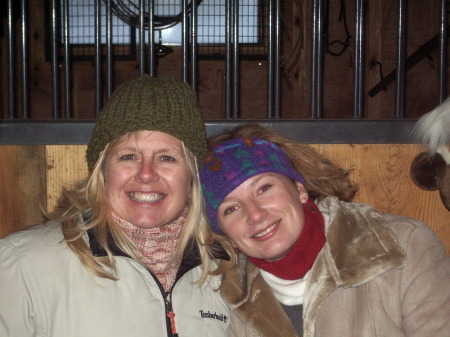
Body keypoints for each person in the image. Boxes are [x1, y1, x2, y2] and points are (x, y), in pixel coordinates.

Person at [0, 75, 234, 337]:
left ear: (191, 176)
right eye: (128, 156)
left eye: (167, 158)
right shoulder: (22, 265)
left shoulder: (227, 271)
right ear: (102, 170)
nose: (146, 174)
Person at [199, 123, 450, 337]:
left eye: (264, 188)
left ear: (299, 189)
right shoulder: (227, 296)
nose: (254, 214)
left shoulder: (403, 246)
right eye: (231, 208)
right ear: (224, 234)